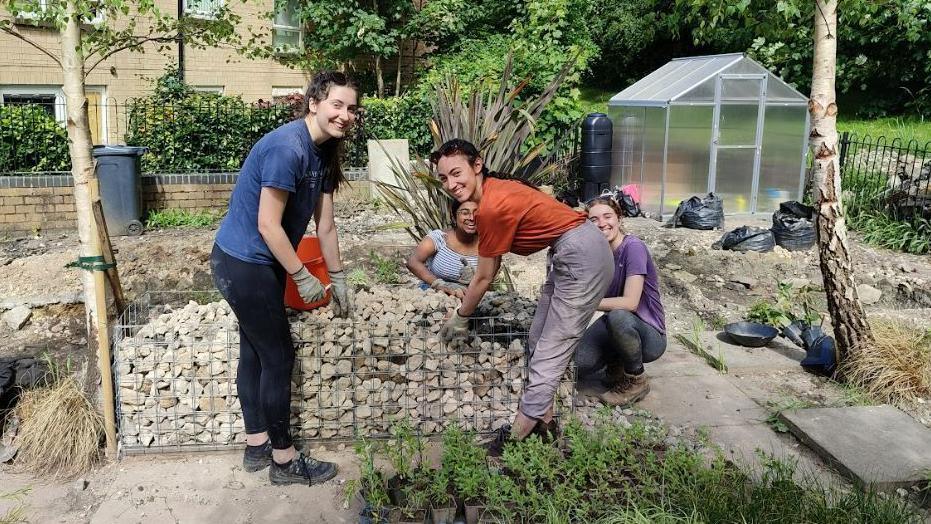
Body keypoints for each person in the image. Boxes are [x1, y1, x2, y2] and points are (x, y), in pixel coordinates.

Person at [209, 71, 357, 485]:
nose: (345, 115)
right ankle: (284, 460)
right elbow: (269, 225)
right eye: (337, 105)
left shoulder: (325, 152)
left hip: (262, 263)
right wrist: (301, 274)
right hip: (242, 263)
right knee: (278, 357)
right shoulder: (286, 149)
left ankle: (257, 446)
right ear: (314, 103)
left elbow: (325, 226)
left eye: (351, 108)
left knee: (255, 353)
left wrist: (339, 277)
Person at [433, 139, 613, 455]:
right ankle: (545, 422)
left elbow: (486, 275)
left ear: (477, 165)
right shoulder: (493, 193)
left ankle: (517, 436)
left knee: (553, 346)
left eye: (456, 173)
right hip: (571, 250)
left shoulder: (492, 206)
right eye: (443, 178)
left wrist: (461, 317)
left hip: (582, 254)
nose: (451, 184)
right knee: (538, 336)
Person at [576, 197, 666, 406]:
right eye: (594, 219)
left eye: (607, 216)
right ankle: (617, 364)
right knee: (578, 363)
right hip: (617, 326)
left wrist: (585, 302)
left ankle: (636, 379)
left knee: (618, 316)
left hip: (649, 336)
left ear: (619, 217)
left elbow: (630, 303)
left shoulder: (633, 248)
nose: (602, 223)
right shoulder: (597, 255)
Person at [406, 199, 479, 297]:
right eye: (465, 213)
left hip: (470, 299)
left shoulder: (489, 245)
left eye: (477, 212)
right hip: (434, 296)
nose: (472, 218)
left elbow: (488, 282)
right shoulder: (439, 238)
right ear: (454, 217)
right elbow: (413, 262)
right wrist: (440, 284)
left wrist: (474, 280)